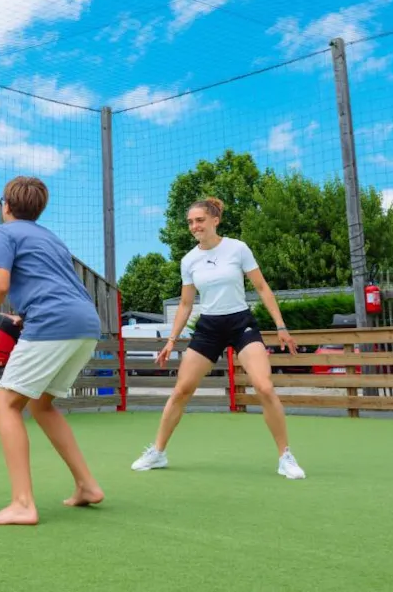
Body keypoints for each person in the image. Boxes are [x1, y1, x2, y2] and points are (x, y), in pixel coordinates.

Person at [130, 197, 307, 479]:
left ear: (215, 220)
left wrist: (281, 326)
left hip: (241, 323)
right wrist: (171, 340)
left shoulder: (238, 248)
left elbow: (261, 287)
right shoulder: (188, 260)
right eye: (190, 222)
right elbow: (186, 304)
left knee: (263, 386)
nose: (194, 226)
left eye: (199, 220)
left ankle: (285, 457)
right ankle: (158, 452)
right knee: (181, 390)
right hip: (209, 327)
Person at [0, 176, 105, 526]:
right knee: (42, 404)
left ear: (6, 206)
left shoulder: (4, 232)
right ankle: (87, 486)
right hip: (86, 322)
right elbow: (53, 284)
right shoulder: (50, 238)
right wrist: (24, 315)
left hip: (53, 322)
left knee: (5, 402)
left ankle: (23, 504)